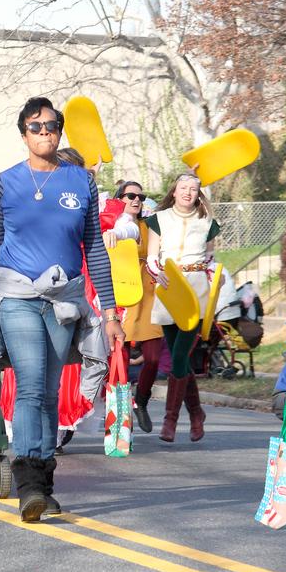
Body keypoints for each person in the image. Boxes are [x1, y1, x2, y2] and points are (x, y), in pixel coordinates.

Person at [0, 97, 122, 522]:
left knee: (51, 391)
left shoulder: (80, 182)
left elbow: (93, 247)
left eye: (52, 125)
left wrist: (109, 314)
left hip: (65, 300)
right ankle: (29, 482)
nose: (45, 132)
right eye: (36, 126)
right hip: (17, 296)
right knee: (33, 384)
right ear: (23, 134)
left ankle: (44, 481)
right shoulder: (7, 182)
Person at [145, 174, 220, 442]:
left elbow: (211, 259)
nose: (188, 192)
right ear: (174, 191)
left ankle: (170, 420)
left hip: (196, 290)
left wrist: (216, 277)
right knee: (181, 359)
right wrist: (156, 273)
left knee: (178, 358)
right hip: (168, 289)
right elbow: (152, 257)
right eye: (183, 188)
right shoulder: (159, 219)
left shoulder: (208, 222)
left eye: (193, 189)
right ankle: (197, 413)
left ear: (199, 194)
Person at [108, 180, 163, 434]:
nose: (136, 199)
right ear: (120, 197)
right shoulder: (113, 224)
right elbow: (124, 231)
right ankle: (120, 418)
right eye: (130, 195)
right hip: (122, 295)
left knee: (152, 359)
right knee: (119, 360)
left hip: (150, 292)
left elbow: (134, 233)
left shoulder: (148, 225)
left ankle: (141, 401)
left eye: (141, 196)